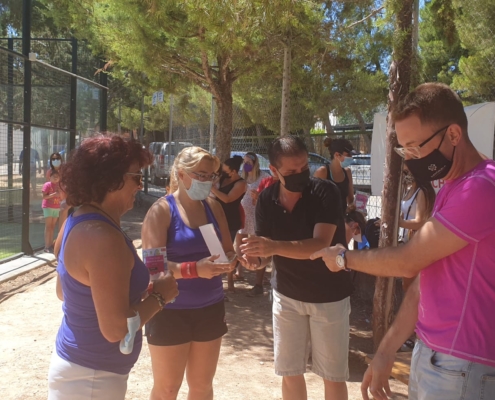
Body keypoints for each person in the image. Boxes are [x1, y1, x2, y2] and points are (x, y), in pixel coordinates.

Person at [310, 83, 495, 400]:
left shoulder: (480, 187)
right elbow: (425, 278)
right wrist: (386, 350)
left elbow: (408, 259)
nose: (411, 159)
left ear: (453, 135)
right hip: (437, 356)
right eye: (404, 150)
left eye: (416, 147)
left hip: (464, 365)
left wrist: (344, 258)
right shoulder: (452, 186)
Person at [48, 135, 179, 400]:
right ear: (111, 180)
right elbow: (116, 330)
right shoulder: (102, 237)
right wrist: (160, 295)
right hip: (92, 379)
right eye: (136, 178)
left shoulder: (77, 217)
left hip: (82, 371)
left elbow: (64, 291)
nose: (140, 186)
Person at [240, 135, 353, 400]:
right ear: (275, 171)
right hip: (287, 297)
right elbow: (266, 253)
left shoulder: (325, 191)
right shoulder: (267, 199)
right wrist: (253, 258)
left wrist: (272, 248)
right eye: (291, 171)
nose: (300, 174)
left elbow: (320, 245)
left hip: (329, 297)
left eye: (304, 168)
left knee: (333, 376)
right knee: (290, 373)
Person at [141, 146, 237, 400]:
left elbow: (228, 251)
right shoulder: (161, 211)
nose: (206, 181)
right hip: (168, 310)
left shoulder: (214, 208)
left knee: (202, 386)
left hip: (210, 308)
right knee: (167, 389)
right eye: (200, 175)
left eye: (211, 176)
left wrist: (240, 258)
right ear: (181, 174)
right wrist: (195, 269)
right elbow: (153, 268)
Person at [210, 156, 247, 291]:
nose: (223, 172)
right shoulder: (222, 178)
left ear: (233, 171)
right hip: (215, 218)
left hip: (230, 221)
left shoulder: (241, 184)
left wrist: (212, 189)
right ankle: (216, 281)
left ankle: (230, 282)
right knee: (214, 250)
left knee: (228, 251)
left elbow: (227, 199)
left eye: (226, 170)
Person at [398, 166, 436, 292]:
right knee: (406, 284)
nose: (406, 174)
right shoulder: (408, 190)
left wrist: (399, 223)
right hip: (405, 240)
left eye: (407, 172)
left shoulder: (421, 191)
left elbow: (420, 222)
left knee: (412, 286)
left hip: (416, 241)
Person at [237, 152, 270, 293]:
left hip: (257, 214)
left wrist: (258, 195)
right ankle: (240, 271)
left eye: (249, 162)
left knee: (256, 246)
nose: (246, 165)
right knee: (241, 242)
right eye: (244, 162)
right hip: (243, 214)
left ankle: (259, 281)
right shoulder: (241, 176)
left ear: (255, 163)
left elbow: (268, 194)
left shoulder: (264, 177)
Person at [314, 138, 356, 213]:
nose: (351, 158)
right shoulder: (322, 172)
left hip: (343, 221)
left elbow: (350, 200)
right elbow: (313, 202)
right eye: (348, 155)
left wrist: (353, 207)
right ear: (337, 155)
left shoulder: (347, 172)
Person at [46, 152, 70, 231]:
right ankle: (51, 242)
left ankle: (61, 238)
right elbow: (48, 185)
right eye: (53, 159)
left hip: (63, 196)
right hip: (53, 199)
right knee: (52, 222)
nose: (55, 160)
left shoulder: (65, 171)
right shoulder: (49, 172)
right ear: (51, 161)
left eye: (57, 159)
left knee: (63, 214)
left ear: (61, 160)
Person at [42, 171, 61, 252]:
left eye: (57, 176)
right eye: (54, 176)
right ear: (50, 177)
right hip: (48, 207)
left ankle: (50, 245)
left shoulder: (60, 185)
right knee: (48, 226)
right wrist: (53, 195)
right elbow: (44, 197)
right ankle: (46, 246)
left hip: (57, 207)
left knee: (53, 226)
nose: (56, 177)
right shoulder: (47, 185)